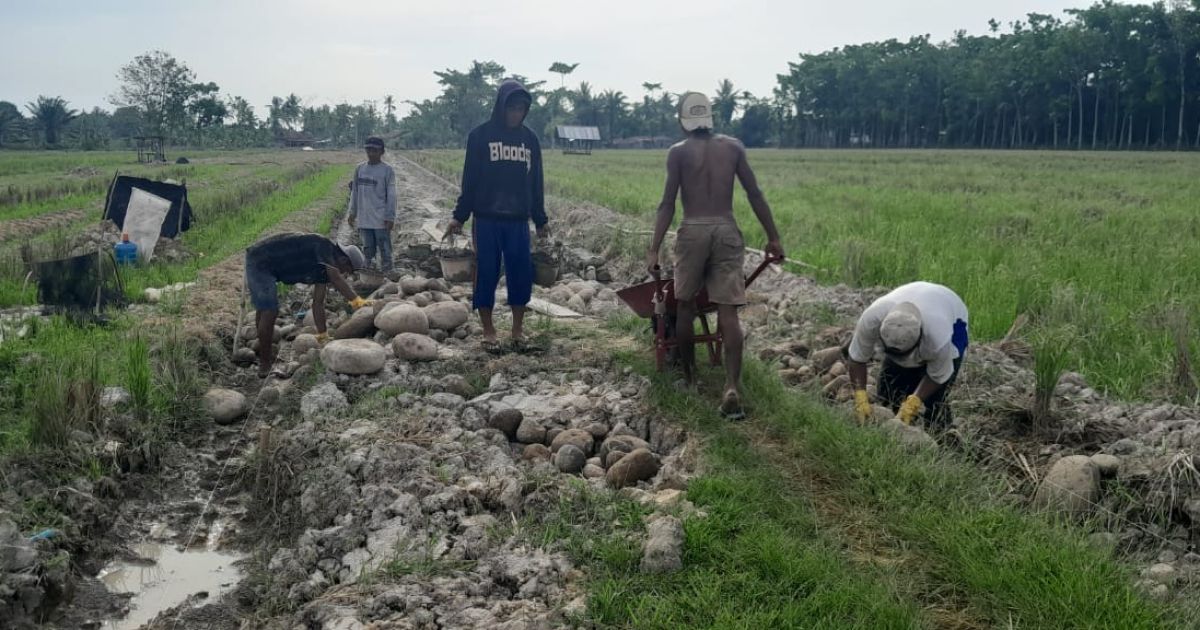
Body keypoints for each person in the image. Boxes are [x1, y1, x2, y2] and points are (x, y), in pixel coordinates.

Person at [645, 91, 785, 420]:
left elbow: (668, 203)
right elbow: (755, 193)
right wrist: (774, 237)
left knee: (685, 306)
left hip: (693, 230)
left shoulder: (677, 153)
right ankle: (731, 386)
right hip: (726, 230)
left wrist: (653, 248)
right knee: (728, 313)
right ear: (709, 119)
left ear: (684, 122)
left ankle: (691, 380)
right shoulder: (733, 147)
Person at [446, 79, 549, 351]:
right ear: (501, 107)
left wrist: (540, 219)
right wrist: (459, 216)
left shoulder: (530, 140)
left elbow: (536, 182)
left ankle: (517, 330)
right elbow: (470, 181)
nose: (516, 114)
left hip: (517, 220)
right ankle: (489, 329)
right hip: (487, 219)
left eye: (521, 109)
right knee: (486, 272)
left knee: (520, 272)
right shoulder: (480, 137)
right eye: (511, 108)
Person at [244, 232, 370, 378]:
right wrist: (357, 301)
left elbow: (318, 303)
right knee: (269, 310)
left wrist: (323, 335)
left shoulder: (324, 270)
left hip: (271, 267)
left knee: (265, 309)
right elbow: (336, 278)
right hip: (260, 259)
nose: (345, 274)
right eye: (347, 270)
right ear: (343, 259)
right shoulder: (323, 245)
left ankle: (263, 353)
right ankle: (265, 366)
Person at [846, 281, 969, 429]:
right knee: (888, 390)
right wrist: (860, 396)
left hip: (952, 312)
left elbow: (937, 376)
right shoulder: (872, 319)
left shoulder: (939, 339)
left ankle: (941, 437)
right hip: (913, 294)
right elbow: (857, 359)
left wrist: (914, 401)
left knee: (935, 399)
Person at [348, 136, 397, 274]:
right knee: (368, 248)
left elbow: (392, 195)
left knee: (385, 248)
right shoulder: (360, 169)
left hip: (381, 218)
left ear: (382, 152)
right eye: (368, 150)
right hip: (364, 217)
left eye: (374, 151)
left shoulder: (387, 170)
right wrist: (352, 212)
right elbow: (355, 192)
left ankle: (388, 272)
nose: (371, 153)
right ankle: (369, 273)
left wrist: (390, 216)